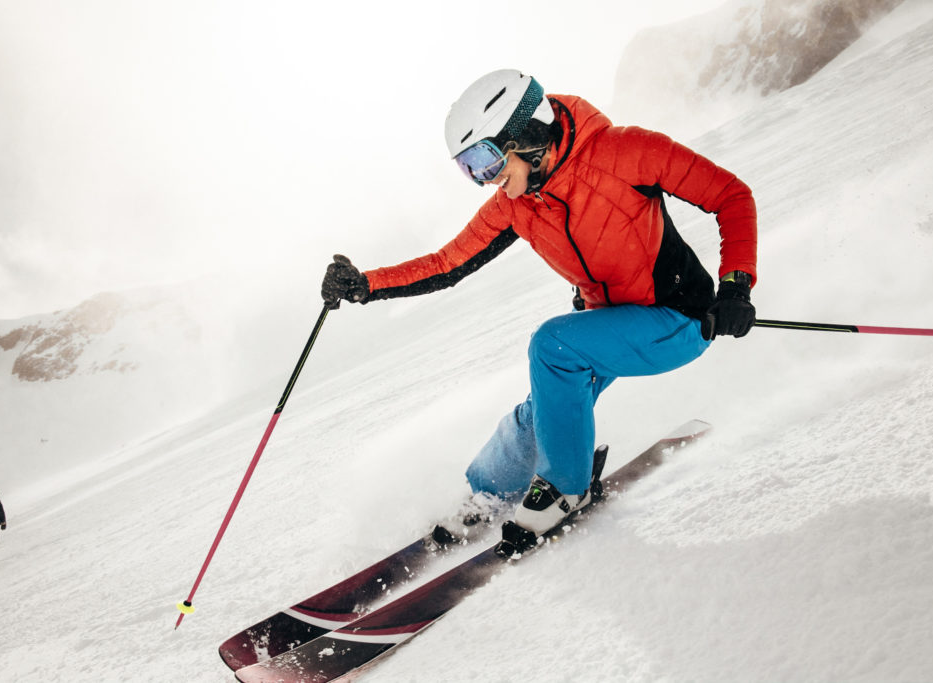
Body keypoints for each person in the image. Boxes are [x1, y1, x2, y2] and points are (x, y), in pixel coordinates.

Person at [321, 69, 757, 544]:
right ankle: (488, 493)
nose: (484, 179)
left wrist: (735, 288)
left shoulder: (626, 152)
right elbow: (448, 263)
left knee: (553, 348)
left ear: (526, 136)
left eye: (485, 160)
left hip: (680, 318)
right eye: (469, 168)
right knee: (543, 410)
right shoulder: (518, 204)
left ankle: (567, 490)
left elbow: (731, 196)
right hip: (608, 327)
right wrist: (366, 284)